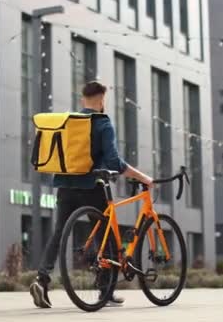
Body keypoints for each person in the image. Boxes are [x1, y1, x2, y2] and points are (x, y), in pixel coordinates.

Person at [30, 81, 154, 309]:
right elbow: (115, 163)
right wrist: (143, 177)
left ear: (82, 100)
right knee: (106, 236)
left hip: (65, 186)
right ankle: (105, 290)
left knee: (59, 233)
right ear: (101, 101)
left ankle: (42, 279)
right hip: (92, 187)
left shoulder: (70, 122)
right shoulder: (102, 122)